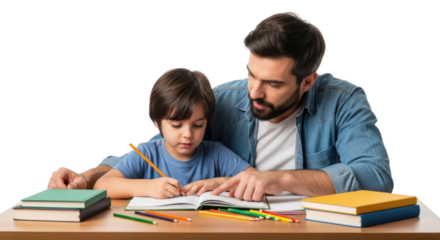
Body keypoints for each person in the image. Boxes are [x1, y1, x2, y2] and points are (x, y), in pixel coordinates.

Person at [47, 10, 393, 201]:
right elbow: (154, 149)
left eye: (272, 84)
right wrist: (86, 175)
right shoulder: (226, 96)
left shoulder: (344, 99)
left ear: (307, 81)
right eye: (251, 74)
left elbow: (377, 178)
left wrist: (280, 179)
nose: (254, 91)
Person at [92, 66, 255, 199]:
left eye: (198, 125)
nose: (187, 134)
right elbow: (102, 185)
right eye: (177, 125)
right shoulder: (147, 153)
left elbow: (256, 179)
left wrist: (219, 183)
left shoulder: (217, 153)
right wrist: (148, 187)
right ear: (157, 123)